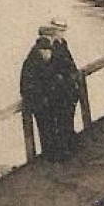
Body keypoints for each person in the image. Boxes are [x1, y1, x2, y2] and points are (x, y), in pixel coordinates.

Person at [19, 27, 79, 161]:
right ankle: (51, 155)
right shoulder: (35, 59)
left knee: (51, 127)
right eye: (45, 50)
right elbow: (30, 84)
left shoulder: (48, 57)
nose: (47, 53)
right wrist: (41, 97)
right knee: (47, 128)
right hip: (39, 100)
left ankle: (56, 153)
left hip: (47, 99)